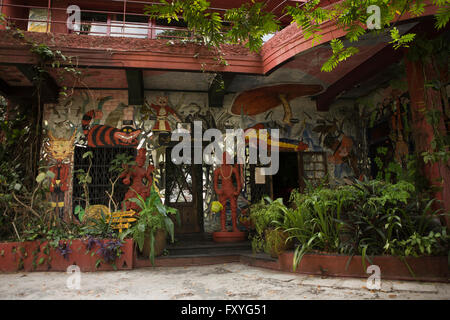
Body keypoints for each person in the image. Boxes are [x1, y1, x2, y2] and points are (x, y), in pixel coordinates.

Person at [213, 152, 242, 232]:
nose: (225, 160)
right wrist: (217, 190)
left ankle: (235, 227)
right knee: (222, 210)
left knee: (234, 210)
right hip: (223, 192)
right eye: (224, 158)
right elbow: (215, 184)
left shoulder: (233, 169)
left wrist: (237, 191)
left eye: (227, 158)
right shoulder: (218, 170)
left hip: (231, 191)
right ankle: (223, 228)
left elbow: (238, 181)